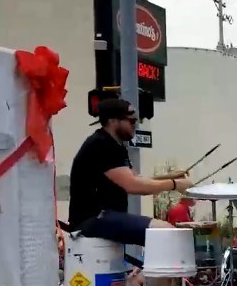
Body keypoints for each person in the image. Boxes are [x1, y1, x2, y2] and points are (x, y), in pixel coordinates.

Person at [68, 98, 191, 247]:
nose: (135, 125)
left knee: (164, 233)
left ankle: (142, 270)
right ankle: (152, 271)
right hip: (94, 218)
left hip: (107, 217)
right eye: (132, 121)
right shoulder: (101, 144)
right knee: (165, 233)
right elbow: (133, 185)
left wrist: (171, 176)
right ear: (113, 121)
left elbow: (133, 178)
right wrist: (175, 184)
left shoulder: (116, 146)